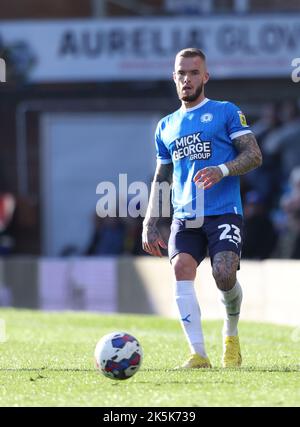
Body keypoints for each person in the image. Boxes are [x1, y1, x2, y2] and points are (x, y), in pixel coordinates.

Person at [142, 48, 262, 369]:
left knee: (223, 274)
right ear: (174, 78)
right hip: (186, 215)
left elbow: (254, 155)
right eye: (181, 73)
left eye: (194, 73)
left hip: (224, 210)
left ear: (205, 77)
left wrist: (222, 170)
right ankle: (198, 354)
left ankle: (231, 334)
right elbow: (161, 176)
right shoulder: (165, 126)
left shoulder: (226, 112)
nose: (187, 79)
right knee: (181, 268)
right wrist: (150, 221)